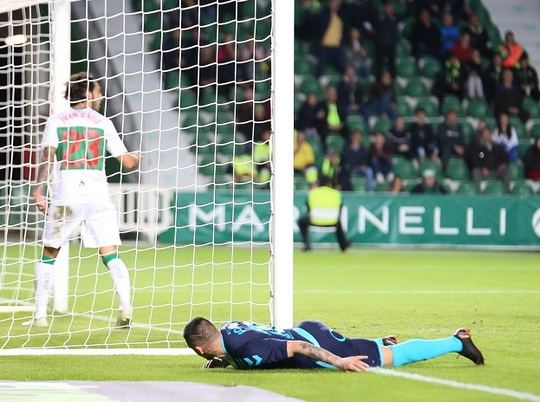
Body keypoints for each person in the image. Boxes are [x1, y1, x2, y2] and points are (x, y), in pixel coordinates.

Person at [26, 72, 139, 328]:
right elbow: (128, 162)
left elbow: (47, 156)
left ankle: (40, 314)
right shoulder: (103, 122)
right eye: (97, 92)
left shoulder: (57, 121)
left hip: (67, 195)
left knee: (50, 252)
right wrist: (138, 157)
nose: (99, 97)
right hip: (98, 196)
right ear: (87, 94)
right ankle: (125, 306)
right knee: (110, 252)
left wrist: (38, 190)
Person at [183, 317, 485, 371]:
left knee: (396, 357)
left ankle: (457, 341)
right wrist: (221, 360)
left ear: (199, 349)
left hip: (313, 343)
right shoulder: (229, 330)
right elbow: (250, 341)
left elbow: (297, 349)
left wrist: (340, 362)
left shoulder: (246, 349)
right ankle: (376, 343)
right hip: (306, 329)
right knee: (375, 348)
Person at [297, 176, 350, 252]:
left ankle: (307, 245)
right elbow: (340, 209)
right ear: (330, 183)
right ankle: (343, 245)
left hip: (315, 220)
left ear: (319, 183)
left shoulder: (312, 192)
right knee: (339, 224)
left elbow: (308, 208)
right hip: (333, 221)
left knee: (301, 221)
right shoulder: (336, 193)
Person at [467, 126, 511, 191]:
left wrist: (504, 164)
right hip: (484, 172)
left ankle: (506, 192)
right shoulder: (480, 149)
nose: (487, 136)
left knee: (507, 172)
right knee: (476, 171)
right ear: (482, 136)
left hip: (496, 170)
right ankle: (478, 192)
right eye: (485, 134)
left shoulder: (497, 147)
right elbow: (479, 159)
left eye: (488, 134)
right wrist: (482, 168)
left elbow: (505, 156)